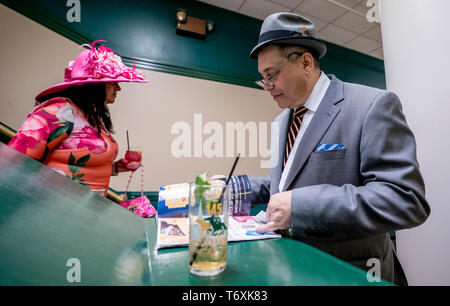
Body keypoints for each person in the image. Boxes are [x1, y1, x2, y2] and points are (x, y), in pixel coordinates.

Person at [246, 13, 430, 285]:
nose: (267, 87)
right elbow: (282, 184)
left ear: (306, 62)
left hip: (351, 272)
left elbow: (405, 200)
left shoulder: (372, 105)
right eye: (263, 79)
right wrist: (232, 187)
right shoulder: (281, 120)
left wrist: (301, 206)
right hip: (291, 268)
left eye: (271, 76)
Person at [8, 40, 148, 197]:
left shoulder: (93, 117)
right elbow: (12, 160)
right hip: (52, 209)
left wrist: (115, 167)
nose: (119, 88)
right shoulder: (58, 111)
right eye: (113, 82)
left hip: (86, 214)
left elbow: (81, 164)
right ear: (95, 85)